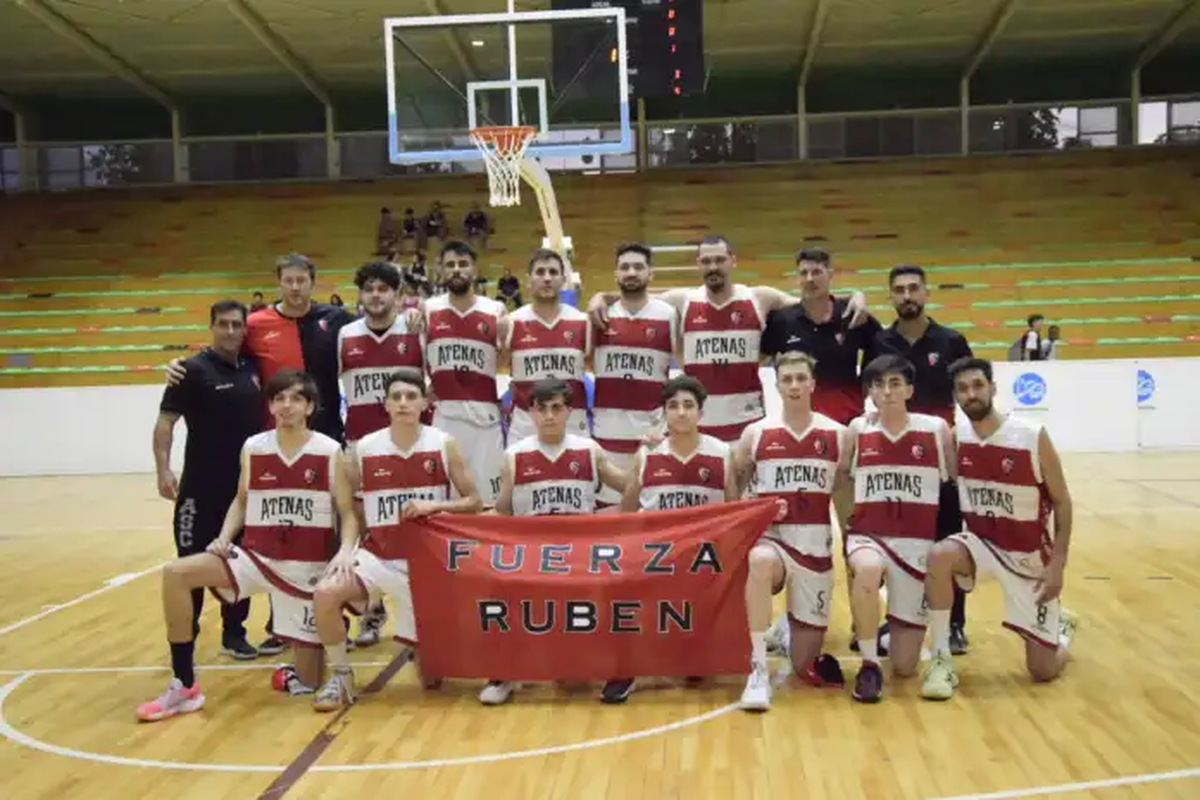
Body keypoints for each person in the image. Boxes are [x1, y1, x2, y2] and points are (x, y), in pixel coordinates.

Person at [135, 370, 358, 722]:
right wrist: (224, 537)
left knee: (310, 682)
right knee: (176, 573)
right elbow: (241, 500)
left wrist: (345, 550)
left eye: (295, 399)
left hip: (306, 570)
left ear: (310, 406)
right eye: (279, 399)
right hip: (256, 556)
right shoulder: (254, 447)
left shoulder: (329, 450)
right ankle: (184, 685)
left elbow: (348, 512)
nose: (286, 406)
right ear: (269, 405)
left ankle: (294, 670)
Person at [166, 254, 360, 655]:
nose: (294, 287)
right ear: (278, 283)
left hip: (325, 439)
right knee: (275, 533)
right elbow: (224, 345)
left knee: (321, 532)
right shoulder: (255, 324)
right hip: (275, 444)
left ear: (312, 282)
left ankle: (323, 615)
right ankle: (266, 627)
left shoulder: (336, 319)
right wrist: (179, 365)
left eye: (301, 280)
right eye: (287, 280)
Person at [311, 370, 482, 711]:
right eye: (396, 397)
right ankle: (341, 675)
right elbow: (352, 508)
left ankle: (425, 646)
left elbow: (474, 502)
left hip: (428, 563)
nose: (403, 403)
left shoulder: (443, 443)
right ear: (386, 404)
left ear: (424, 403)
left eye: (410, 396)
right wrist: (348, 550)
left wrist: (435, 505)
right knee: (326, 592)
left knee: (432, 682)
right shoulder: (363, 449)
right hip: (379, 556)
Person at [589, 235, 870, 442]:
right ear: (699, 264)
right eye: (707, 260)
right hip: (698, 426)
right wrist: (601, 296)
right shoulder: (682, 300)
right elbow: (637, 295)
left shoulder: (759, 297)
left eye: (719, 259)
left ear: (732, 261)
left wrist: (856, 296)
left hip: (746, 425)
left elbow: (811, 299)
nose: (713, 266)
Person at [921, 357, 1077, 701]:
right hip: (981, 543)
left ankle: (1060, 632)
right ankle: (942, 660)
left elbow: (1063, 502)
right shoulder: (955, 437)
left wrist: (1057, 566)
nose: (971, 394)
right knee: (939, 555)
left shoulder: (1031, 436)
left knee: (1042, 670)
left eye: (978, 385)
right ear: (955, 397)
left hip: (1028, 555)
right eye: (962, 389)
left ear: (992, 388)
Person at [487, 378, 629, 705]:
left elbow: (629, 490)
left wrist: (648, 454)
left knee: (618, 585)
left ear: (569, 411)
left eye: (557, 408)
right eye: (542, 409)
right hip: (533, 554)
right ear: (531, 413)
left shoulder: (588, 450)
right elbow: (503, 511)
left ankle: (621, 671)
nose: (550, 416)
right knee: (498, 584)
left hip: (580, 553)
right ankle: (504, 672)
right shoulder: (514, 456)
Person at [601, 375, 738, 704]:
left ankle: (699, 646)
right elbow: (630, 511)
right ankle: (627, 666)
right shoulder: (647, 455)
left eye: (688, 406)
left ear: (701, 413)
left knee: (697, 670)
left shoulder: (722, 453)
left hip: (705, 556)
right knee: (621, 582)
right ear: (664, 412)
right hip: (658, 556)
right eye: (673, 406)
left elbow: (734, 512)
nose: (681, 413)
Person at [733, 352, 851, 711]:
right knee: (759, 560)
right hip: (776, 541)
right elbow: (736, 492)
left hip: (816, 550)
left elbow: (843, 494)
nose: (795, 386)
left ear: (813, 383)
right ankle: (756, 669)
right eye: (787, 379)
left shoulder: (839, 434)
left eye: (802, 378)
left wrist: (851, 544)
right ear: (777, 384)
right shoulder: (756, 433)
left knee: (803, 665)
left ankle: (785, 631)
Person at [866, 264, 974, 654]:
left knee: (947, 541)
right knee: (893, 541)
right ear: (891, 296)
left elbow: (966, 395)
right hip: (894, 463)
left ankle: (955, 623)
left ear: (926, 292)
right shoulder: (880, 342)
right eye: (899, 290)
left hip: (939, 460)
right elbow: (872, 395)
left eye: (914, 288)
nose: (907, 295)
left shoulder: (951, 341)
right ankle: (893, 619)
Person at [152, 300, 261, 661]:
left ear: (246, 329)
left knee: (238, 562)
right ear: (212, 327)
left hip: (244, 490)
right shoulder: (190, 370)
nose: (230, 331)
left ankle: (235, 634)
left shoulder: (254, 367)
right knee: (190, 563)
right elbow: (166, 422)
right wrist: (163, 469)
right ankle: (187, 637)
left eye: (236, 325)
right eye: (223, 324)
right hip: (198, 490)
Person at [843, 354, 954, 703]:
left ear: (909, 389)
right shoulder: (858, 430)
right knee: (867, 570)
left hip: (914, 546)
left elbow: (955, 485)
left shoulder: (935, 430)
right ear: (870, 393)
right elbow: (840, 480)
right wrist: (849, 521)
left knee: (906, 666)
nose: (887, 392)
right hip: (869, 537)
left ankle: (892, 633)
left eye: (894, 384)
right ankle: (869, 665)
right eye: (878, 385)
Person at [338, 261, 424, 647]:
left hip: (410, 443)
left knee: (414, 525)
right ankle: (371, 614)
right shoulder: (345, 335)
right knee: (364, 527)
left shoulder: (416, 329)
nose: (376, 295)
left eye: (383, 289)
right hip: (360, 444)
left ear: (396, 293)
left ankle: (421, 606)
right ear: (361, 294)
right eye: (369, 288)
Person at [424, 240, 509, 506]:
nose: (456, 270)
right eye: (450, 265)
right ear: (441, 271)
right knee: (446, 499)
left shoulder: (496, 311)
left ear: (474, 269)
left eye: (463, 264)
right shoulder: (428, 310)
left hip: (484, 418)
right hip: (445, 417)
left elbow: (507, 360)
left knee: (488, 502)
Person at [592, 243, 677, 507]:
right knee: (608, 514)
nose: (631, 272)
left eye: (639, 267)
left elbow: (686, 368)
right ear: (616, 274)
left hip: (651, 436)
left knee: (651, 511)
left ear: (651, 274)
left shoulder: (668, 315)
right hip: (607, 436)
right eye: (625, 267)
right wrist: (599, 297)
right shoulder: (599, 316)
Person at [760, 246, 881, 425]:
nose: (810, 279)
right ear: (797, 278)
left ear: (830, 275)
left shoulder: (852, 316)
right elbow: (757, 361)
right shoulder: (782, 321)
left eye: (817, 272)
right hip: (800, 426)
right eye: (804, 273)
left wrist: (865, 386)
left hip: (848, 422)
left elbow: (883, 350)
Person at [506, 248, 591, 443]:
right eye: (540, 272)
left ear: (563, 280)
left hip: (573, 427)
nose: (546, 278)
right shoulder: (512, 322)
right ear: (529, 280)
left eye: (553, 272)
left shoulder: (582, 322)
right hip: (525, 428)